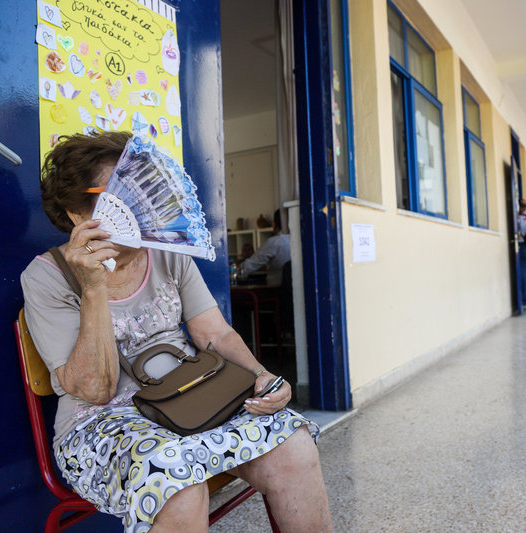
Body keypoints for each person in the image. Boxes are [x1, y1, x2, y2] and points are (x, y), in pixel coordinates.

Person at [20, 132, 331, 533]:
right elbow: (94, 390)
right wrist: (93, 287)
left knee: (291, 441)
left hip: (193, 397)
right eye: (120, 195)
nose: (139, 206)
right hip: (101, 421)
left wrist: (262, 377)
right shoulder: (47, 277)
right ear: (78, 213)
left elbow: (215, 334)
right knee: (175, 482)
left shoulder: (167, 252)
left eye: (141, 191)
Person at [239, 209, 291, 286]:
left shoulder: (275, 242)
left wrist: (234, 269)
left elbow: (249, 266)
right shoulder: (299, 240)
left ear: (274, 223)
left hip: (276, 291)